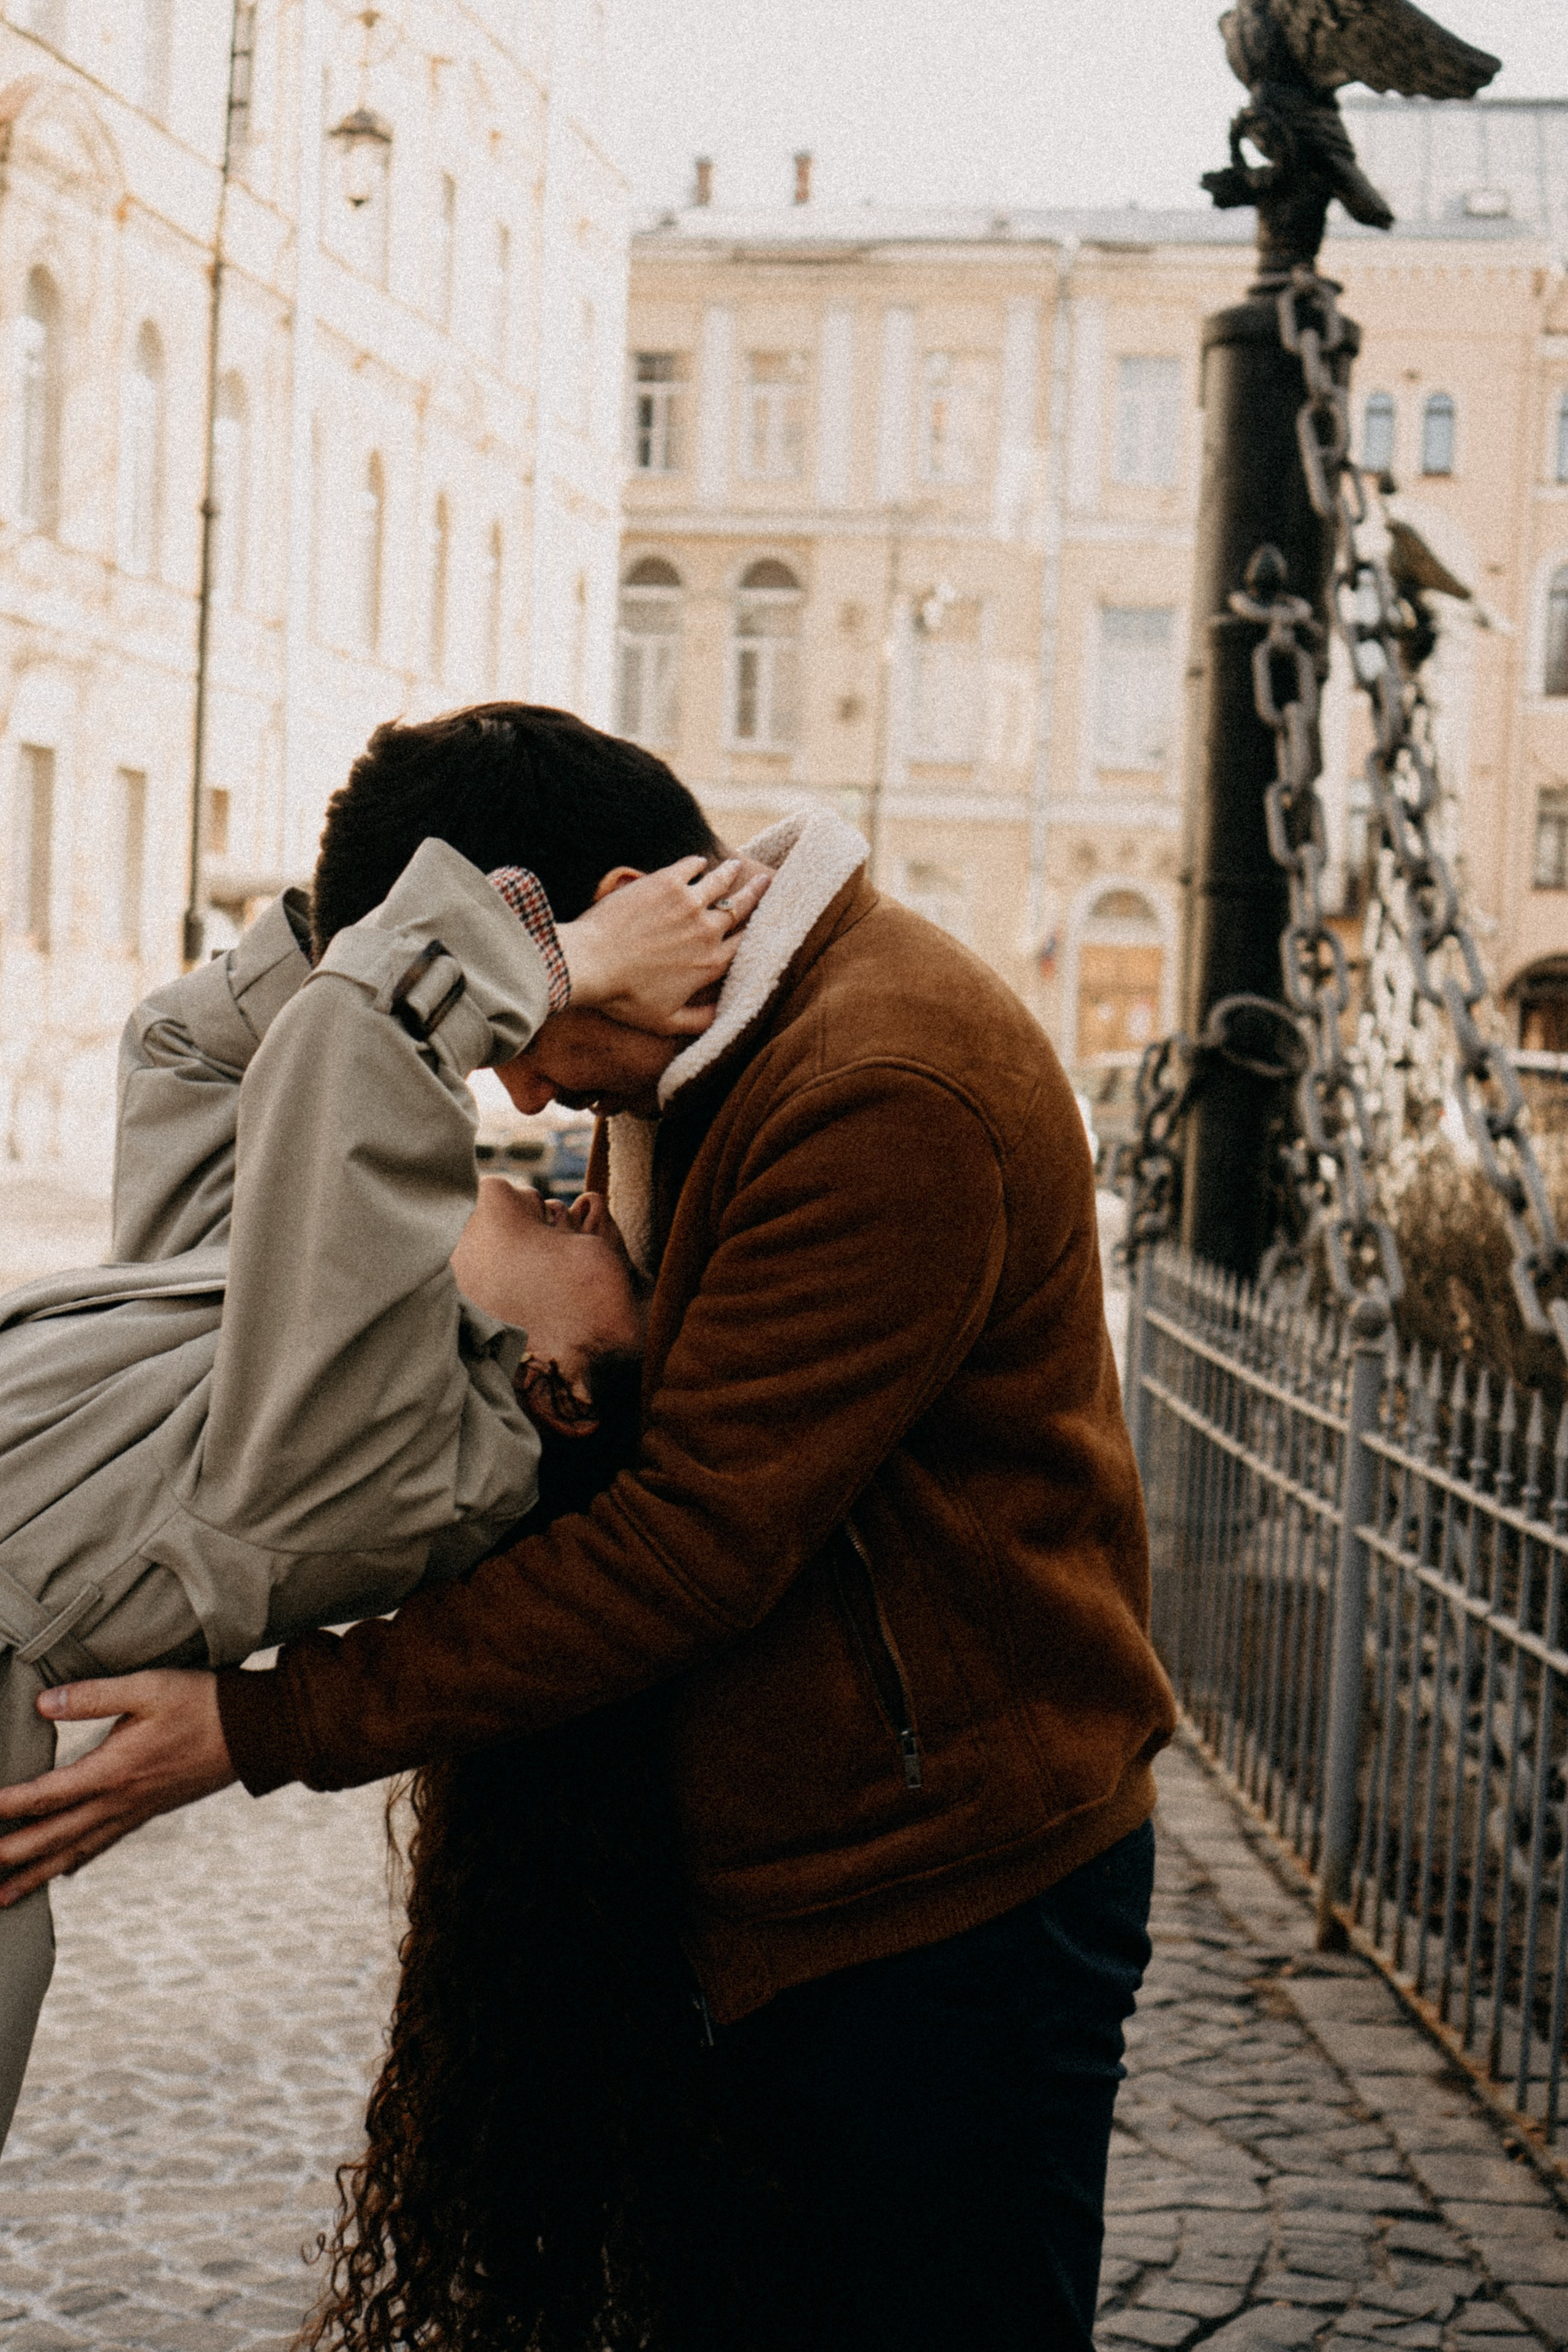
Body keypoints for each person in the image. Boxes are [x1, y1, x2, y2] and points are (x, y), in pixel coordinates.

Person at [0, 703, 1178, 2352]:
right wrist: (395, 927)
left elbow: (688, 1544)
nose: (531, 1096)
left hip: (931, 1892)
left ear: (615, 909)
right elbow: (220, 1066)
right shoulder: (704, 1058)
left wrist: (262, 1722)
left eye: (531, 1037)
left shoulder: (876, 1086)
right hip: (800, 1863)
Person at [0, 802, 764, 2146]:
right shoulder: (287, 1329)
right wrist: (347, 906)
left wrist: (569, 958)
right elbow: (189, 1051)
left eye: (611, 1252)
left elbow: (364, 1047)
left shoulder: (396, 1446)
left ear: (562, 1390)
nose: (580, 1199)